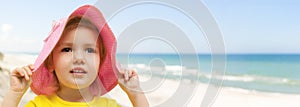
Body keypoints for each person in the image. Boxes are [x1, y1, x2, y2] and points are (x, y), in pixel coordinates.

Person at [1, 5, 149, 107]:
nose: (79, 58)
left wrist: (136, 94)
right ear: (51, 62)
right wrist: (15, 93)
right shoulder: (39, 104)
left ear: (100, 63)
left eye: (90, 50)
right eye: (67, 49)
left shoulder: (108, 105)